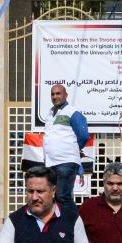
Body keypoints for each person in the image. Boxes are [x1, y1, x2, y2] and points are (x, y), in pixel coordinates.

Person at [43, 84, 89, 217]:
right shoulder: (50, 113)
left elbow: (84, 135)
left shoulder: (72, 112)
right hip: (51, 163)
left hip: (66, 161)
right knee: (55, 198)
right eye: (53, 94)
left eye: (58, 93)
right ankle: (60, 227)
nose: (55, 96)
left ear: (65, 95)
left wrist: (74, 149)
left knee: (63, 196)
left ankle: (74, 226)